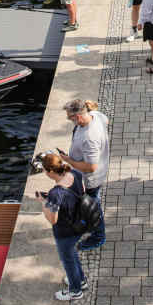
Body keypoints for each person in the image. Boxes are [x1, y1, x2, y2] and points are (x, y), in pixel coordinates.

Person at [37, 152, 88, 301]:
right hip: (81, 222)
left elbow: (52, 219)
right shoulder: (76, 173)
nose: (45, 173)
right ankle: (81, 280)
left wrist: (43, 202)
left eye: (45, 170)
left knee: (68, 260)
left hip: (66, 232)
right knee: (72, 255)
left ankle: (75, 291)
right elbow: (82, 192)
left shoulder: (56, 193)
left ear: (51, 172)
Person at [59, 99, 109, 250]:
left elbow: (91, 167)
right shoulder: (95, 115)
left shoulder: (90, 138)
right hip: (93, 173)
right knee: (88, 205)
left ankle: (98, 237)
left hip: (90, 180)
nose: (69, 120)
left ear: (78, 117)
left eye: (70, 118)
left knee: (92, 207)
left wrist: (69, 160)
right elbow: (106, 121)